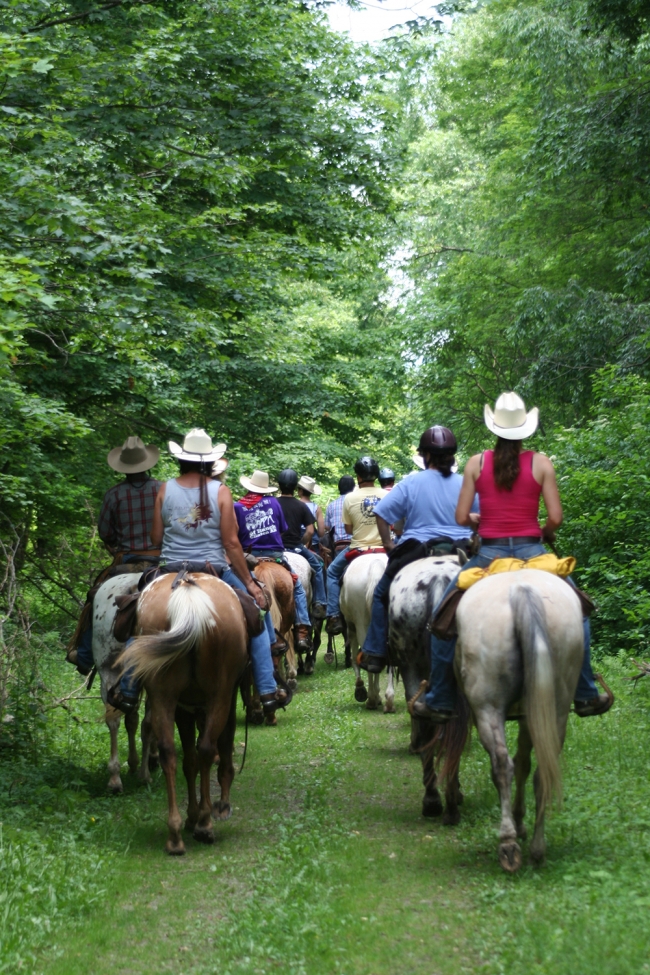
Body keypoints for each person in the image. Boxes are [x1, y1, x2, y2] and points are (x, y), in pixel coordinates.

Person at [413, 392, 613, 722]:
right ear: (525, 430)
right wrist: (545, 530)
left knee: (442, 619)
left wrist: (478, 520)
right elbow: (556, 518)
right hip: (534, 552)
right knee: (579, 609)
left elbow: (462, 517)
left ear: (495, 428)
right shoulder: (541, 462)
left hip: (488, 555)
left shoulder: (477, 463)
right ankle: (586, 692)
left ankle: (440, 698)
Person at [143, 430, 288, 717]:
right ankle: (267, 687)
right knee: (256, 613)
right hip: (215, 568)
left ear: (182, 459)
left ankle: (126, 687)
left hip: (171, 569)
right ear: (210, 463)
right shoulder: (220, 491)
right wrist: (250, 584)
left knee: (134, 607)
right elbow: (231, 543)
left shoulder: (164, 488)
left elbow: (156, 538)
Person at [357, 426, 476, 673]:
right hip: (462, 549)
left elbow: (381, 514)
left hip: (417, 549)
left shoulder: (410, 483)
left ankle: (376, 651)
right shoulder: (466, 484)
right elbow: (480, 519)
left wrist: (389, 545)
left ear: (425, 456)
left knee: (381, 594)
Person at [69, 436, 162, 675]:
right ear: (147, 464)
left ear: (124, 466)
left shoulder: (113, 495)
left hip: (127, 561)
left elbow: (105, 532)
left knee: (95, 597)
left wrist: (117, 544)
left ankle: (85, 654)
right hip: (161, 560)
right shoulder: (163, 489)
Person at [234, 469, 314, 652]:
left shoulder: (238, 506)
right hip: (275, 555)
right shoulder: (273, 502)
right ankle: (302, 630)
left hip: (250, 556)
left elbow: (236, 534)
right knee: (298, 588)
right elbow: (283, 529)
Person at [325, 457, 387, 635]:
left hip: (358, 548)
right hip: (383, 547)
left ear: (358, 477)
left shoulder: (350, 498)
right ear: (376, 475)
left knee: (331, 573)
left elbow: (348, 528)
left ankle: (334, 614)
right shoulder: (386, 495)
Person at [276, 469, 327, 618]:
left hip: (277, 548)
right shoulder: (301, 506)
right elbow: (310, 531)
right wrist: (301, 542)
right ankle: (319, 602)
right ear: (294, 487)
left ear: (279, 486)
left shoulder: (273, 503)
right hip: (295, 547)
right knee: (317, 567)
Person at [324, 475, 355, 555]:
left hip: (339, 546)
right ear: (353, 488)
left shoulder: (331, 505)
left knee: (331, 568)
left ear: (339, 487)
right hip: (356, 545)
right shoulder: (357, 503)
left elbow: (327, 527)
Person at [297, 475, 325, 552]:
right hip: (312, 543)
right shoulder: (316, 508)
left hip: (296, 541)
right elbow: (321, 532)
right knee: (319, 563)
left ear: (301, 491)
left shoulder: (294, 505)